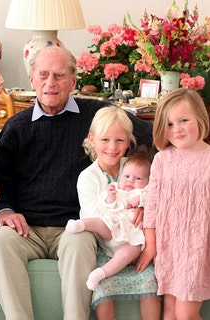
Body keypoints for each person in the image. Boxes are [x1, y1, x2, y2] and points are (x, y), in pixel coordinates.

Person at [0, 45, 154, 320]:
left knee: (79, 242)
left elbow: (152, 136)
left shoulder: (96, 114)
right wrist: (4, 210)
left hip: (74, 227)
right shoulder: (17, 126)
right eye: (43, 75)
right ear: (32, 80)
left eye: (59, 75)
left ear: (73, 80)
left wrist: (146, 198)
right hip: (27, 228)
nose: (50, 83)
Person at [136, 88, 210, 319]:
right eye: (169, 124)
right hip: (170, 248)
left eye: (184, 120)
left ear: (200, 117)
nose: (177, 129)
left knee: (186, 314)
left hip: (201, 249)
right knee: (169, 312)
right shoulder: (162, 160)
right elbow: (153, 208)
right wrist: (151, 244)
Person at [73, 107, 160, 320]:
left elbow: (154, 192)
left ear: (129, 141)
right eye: (105, 140)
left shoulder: (134, 167)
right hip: (108, 247)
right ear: (92, 140)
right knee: (103, 287)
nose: (112, 147)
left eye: (120, 141)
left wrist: (142, 205)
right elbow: (95, 218)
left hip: (138, 243)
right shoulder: (88, 177)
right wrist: (114, 201)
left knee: (150, 281)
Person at [68, 146, 152, 290]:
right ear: (121, 176)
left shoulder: (145, 192)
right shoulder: (115, 189)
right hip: (111, 228)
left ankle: (100, 273)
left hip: (131, 238)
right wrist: (111, 198)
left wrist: (142, 203)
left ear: (147, 181)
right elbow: (104, 208)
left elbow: (156, 201)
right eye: (126, 176)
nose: (131, 181)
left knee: (127, 254)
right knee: (100, 223)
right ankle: (79, 225)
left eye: (138, 178)